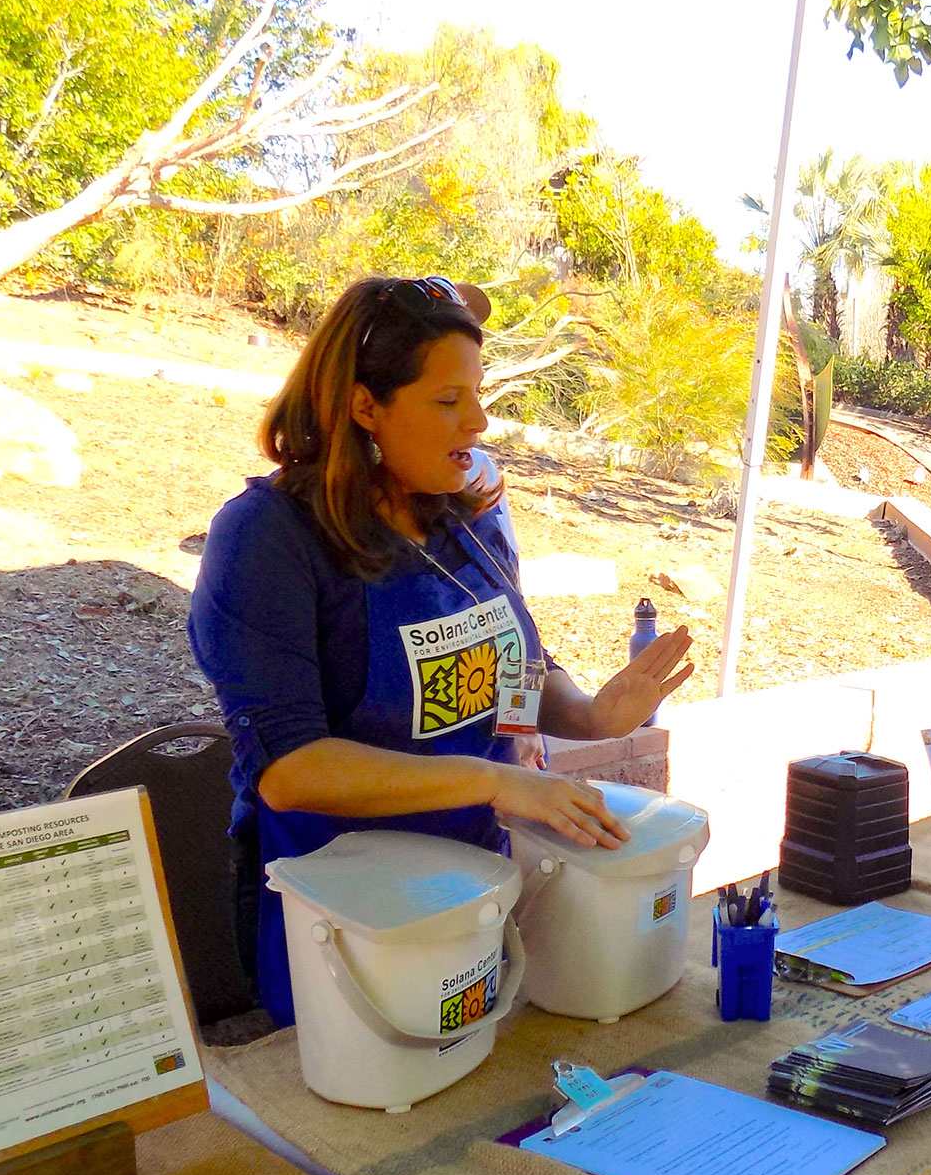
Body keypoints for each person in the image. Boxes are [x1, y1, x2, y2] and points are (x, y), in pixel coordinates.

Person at [188, 275, 696, 1024]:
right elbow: (290, 772)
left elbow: (515, 675)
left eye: (479, 395)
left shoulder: (470, 520)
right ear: (366, 406)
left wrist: (591, 717)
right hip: (355, 929)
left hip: (490, 892)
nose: (480, 422)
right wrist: (492, 783)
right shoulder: (269, 540)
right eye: (449, 401)